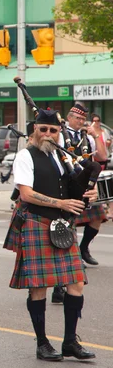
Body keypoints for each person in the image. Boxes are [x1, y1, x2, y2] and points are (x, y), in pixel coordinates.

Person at [4, 108, 96, 362]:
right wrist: (62, 204)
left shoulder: (62, 157)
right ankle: (42, 343)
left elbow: (74, 188)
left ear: (59, 133)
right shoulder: (25, 156)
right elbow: (26, 194)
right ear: (35, 128)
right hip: (37, 221)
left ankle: (69, 342)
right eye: (43, 129)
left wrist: (90, 194)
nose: (47, 134)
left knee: (76, 282)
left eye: (53, 130)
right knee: (39, 288)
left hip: (62, 226)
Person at [61, 103, 107, 267]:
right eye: (77, 118)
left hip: (86, 182)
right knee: (69, 221)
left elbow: (101, 156)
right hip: (67, 182)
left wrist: (95, 136)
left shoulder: (86, 136)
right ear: (69, 117)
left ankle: (83, 249)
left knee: (98, 216)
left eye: (83, 119)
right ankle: (72, 257)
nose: (80, 121)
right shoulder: (59, 134)